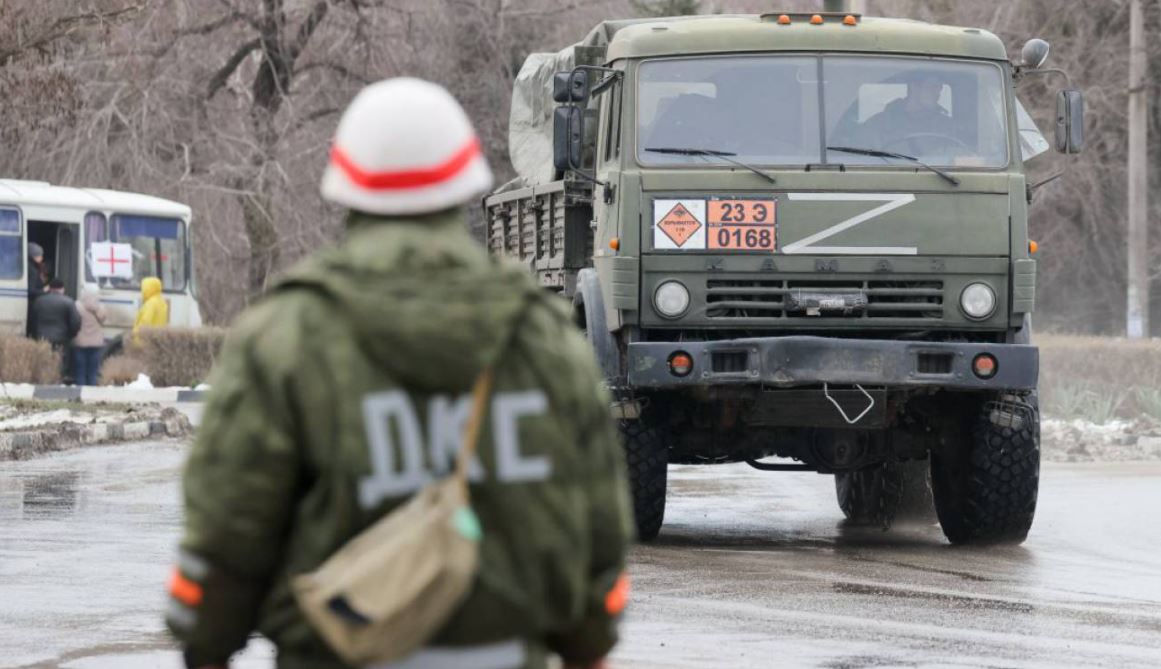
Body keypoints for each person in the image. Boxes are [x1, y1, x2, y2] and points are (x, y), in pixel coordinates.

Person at [165, 77, 634, 669]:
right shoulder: (540, 337)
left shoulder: (284, 337)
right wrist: (590, 644)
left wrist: (204, 644)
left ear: (345, 190)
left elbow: (226, 534)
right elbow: (599, 537)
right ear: (464, 186)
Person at [860, 70, 957, 154]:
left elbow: (962, 156)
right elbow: (859, 158)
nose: (937, 93)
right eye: (932, 86)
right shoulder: (879, 124)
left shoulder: (947, 126)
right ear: (914, 87)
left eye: (940, 88)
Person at [73, 289, 107, 386]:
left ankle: (80, 395)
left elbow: (73, 321)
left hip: (80, 343)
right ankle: (91, 394)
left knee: (80, 372)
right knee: (93, 372)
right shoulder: (101, 308)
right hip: (96, 344)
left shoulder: (77, 306)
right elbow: (103, 320)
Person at [133, 276, 168, 342]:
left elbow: (145, 323)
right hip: (156, 338)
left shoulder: (150, 304)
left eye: (144, 288)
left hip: (145, 340)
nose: (142, 291)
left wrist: (137, 340)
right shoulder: (161, 301)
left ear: (148, 288)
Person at [25, 242, 47, 337]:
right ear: (33, 256)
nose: (41, 258)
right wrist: (44, 291)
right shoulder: (33, 270)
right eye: (39, 255)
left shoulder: (28, 266)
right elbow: (31, 291)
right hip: (32, 304)